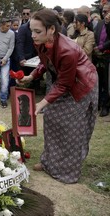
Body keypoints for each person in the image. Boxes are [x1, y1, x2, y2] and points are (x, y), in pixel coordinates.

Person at [18, 9, 98, 184]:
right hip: (65, 82)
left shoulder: (67, 50)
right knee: (52, 120)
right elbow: (44, 62)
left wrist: (42, 103)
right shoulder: (41, 42)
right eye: (32, 30)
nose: (33, 35)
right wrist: (31, 76)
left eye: (37, 31)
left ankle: (67, 171)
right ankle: (49, 163)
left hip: (82, 86)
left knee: (71, 128)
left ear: (51, 30)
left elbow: (64, 84)